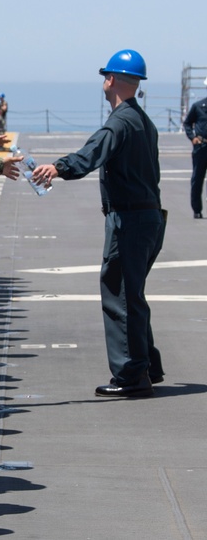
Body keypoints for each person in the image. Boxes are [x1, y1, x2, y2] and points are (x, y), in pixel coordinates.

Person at [32, 49, 165, 398]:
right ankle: (146, 364)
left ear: (111, 80)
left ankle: (131, 374)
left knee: (118, 294)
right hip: (149, 217)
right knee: (132, 294)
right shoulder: (143, 122)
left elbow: (93, 152)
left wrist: (57, 168)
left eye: (105, 77)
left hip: (130, 220)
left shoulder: (120, 122)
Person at [182, 86, 207, 218]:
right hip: (201, 146)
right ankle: (197, 209)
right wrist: (193, 137)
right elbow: (187, 123)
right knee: (197, 178)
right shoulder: (198, 106)